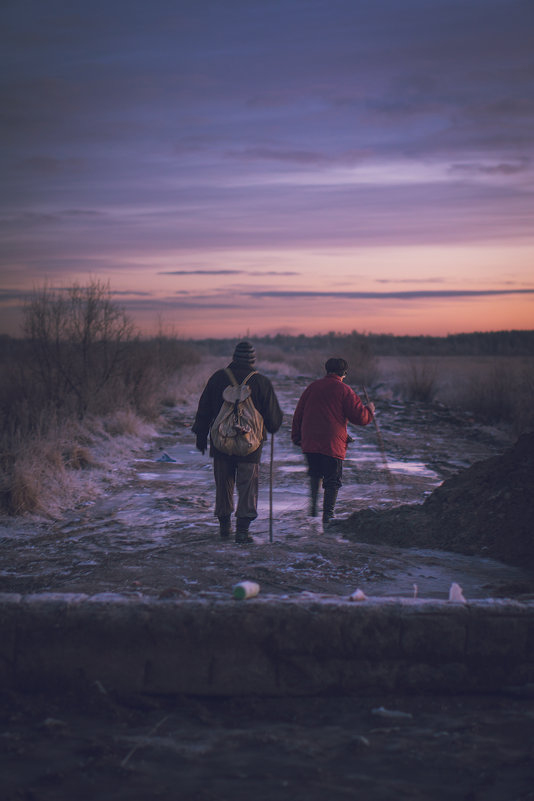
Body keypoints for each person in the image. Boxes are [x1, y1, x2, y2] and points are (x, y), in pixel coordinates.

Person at [192, 341, 283, 544]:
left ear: (233, 357)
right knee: (248, 485)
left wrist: (200, 436)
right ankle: (242, 531)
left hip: (221, 443)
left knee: (223, 484)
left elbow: (204, 408)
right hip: (250, 446)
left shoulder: (217, 378)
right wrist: (271, 425)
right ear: (253, 359)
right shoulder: (261, 382)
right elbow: (274, 422)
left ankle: (225, 527)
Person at [291, 357, 375, 530]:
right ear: (344, 373)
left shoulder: (312, 387)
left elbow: (298, 413)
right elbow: (359, 417)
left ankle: (313, 507)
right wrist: (370, 410)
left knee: (315, 473)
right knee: (332, 479)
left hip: (310, 439)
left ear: (327, 370)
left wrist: (297, 437)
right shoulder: (344, 390)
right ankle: (328, 516)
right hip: (331, 442)